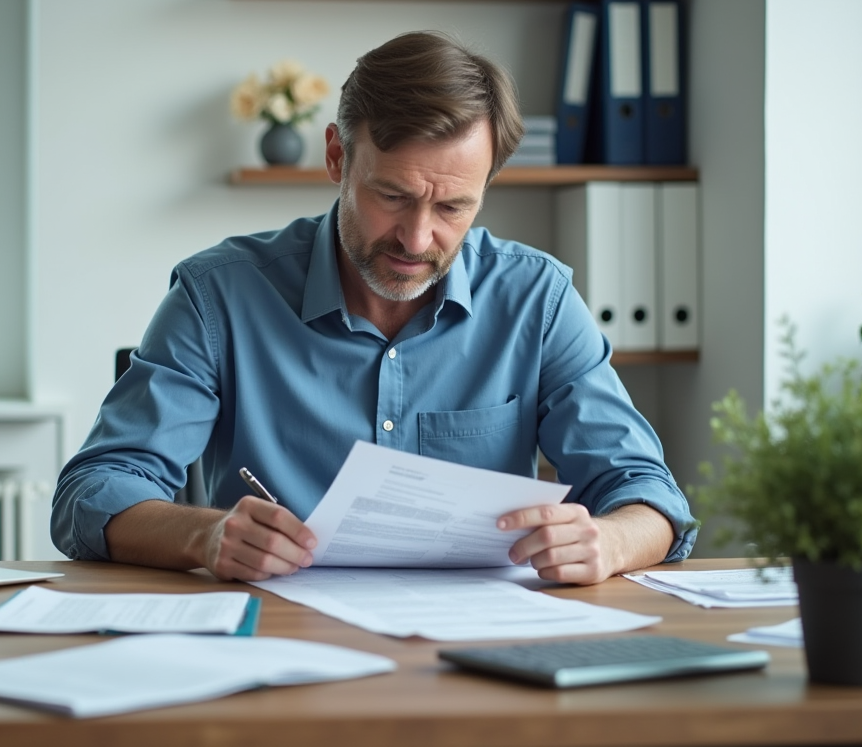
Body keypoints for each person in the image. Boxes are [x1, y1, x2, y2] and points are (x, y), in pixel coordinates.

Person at [52, 31, 698, 585]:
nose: (417, 240)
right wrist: (205, 535)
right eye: (392, 196)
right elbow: (93, 492)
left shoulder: (538, 301)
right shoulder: (217, 296)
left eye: (452, 208)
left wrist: (609, 542)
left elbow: (649, 495)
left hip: (480, 664)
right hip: (279, 655)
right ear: (337, 156)